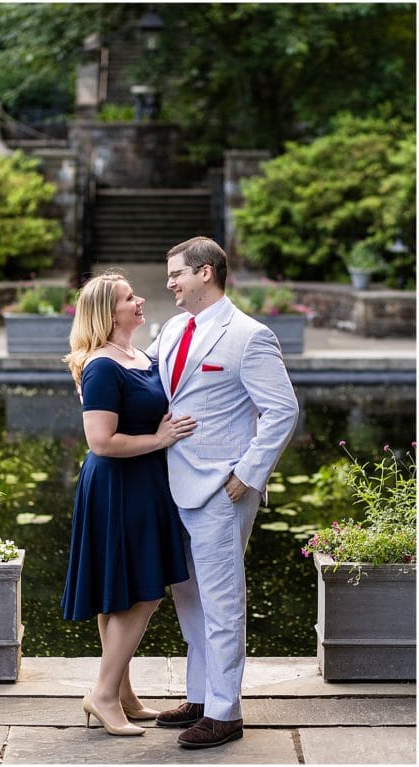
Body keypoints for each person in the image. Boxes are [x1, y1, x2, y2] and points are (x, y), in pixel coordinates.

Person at [147, 237, 298, 749]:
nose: (169, 283)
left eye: (176, 274)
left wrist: (248, 474)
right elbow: (146, 377)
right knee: (188, 596)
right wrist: (92, 366)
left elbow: (283, 410)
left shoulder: (250, 336)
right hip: (172, 481)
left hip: (223, 489)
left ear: (206, 273)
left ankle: (226, 712)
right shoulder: (171, 329)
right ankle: (200, 696)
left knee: (222, 599)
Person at [61, 272, 195, 737]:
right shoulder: (101, 365)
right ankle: (101, 694)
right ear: (107, 312)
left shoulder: (139, 354)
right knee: (143, 590)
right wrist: (158, 438)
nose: (139, 300)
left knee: (119, 585)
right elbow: (100, 442)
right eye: (127, 298)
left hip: (143, 479)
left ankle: (120, 692)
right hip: (119, 482)